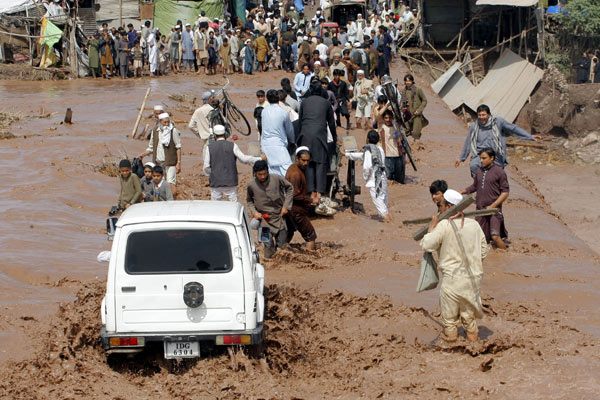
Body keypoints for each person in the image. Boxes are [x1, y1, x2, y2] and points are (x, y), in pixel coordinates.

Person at [420, 189, 489, 342]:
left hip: (452, 280)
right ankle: (474, 352)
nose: (439, 209)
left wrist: (432, 228)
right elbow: (484, 250)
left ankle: (452, 354)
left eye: (441, 206)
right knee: (469, 320)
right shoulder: (474, 224)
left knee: (450, 321)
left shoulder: (444, 225)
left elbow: (427, 245)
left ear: (449, 206)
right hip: (473, 278)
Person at [455, 104, 542, 177]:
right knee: (474, 165)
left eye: (484, 115)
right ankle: (479, 187)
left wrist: (530, 136)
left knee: (495, 176)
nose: (482, 117)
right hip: (480, 155)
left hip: (496, 155)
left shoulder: (498, 122)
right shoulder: (474, 127)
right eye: (479, 115)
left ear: (489, 115)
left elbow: (513, 129)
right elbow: (468, 143)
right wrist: (461, 158)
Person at [297, 81, 337, 205]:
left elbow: (300, 121)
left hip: (305, 135)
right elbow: (331, 124)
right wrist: (335, 140)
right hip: (320, 135)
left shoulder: (304, 102)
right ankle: (319, 193)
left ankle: (311, 193)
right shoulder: (326, 103)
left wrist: (299, 138)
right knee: (320, 163)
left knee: (308, 163)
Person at [462, 148, 510, 249]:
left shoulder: (500, 172)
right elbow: (475, 186)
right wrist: (461, 192)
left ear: (492, 158)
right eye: (480, 158)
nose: (481, 160)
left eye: (484, 158)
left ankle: (507, 256)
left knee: (496, 237)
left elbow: (505, 192)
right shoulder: (479, 171)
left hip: (494, 211)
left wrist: (493, 206)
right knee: (480, 239)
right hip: (480, 211)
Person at [203, 125, 264, 201]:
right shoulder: (233, 145)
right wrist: (259, 158)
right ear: (225, 134)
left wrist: (212, 175)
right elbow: (243, 159)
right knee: (233, 205)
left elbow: (206, 167)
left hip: (216, 182)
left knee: (215, 206)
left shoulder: (209, 147)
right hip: (231, 181)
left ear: (215, 135)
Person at [247, 160, 294, 258]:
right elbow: (249, 201)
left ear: (268, 171)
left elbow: (290, 188)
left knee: (282, 248)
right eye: (260, 174)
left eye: (265, 174)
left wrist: (286, 206)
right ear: (255, 173)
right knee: (267, 247)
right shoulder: (251, 185)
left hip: (280, 218)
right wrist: (254, 212)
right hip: (263, 219)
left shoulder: (276, 178)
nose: (263, 177)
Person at [342, 130, 389, 222]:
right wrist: (347, 154)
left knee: (378, 202)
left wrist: (366, 178)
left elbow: (367, 167)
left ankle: (387, 221)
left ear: (367, 139)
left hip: (374, 181)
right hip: (382, 178)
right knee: (383, 200)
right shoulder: (380, 149)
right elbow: (362, 156)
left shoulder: (368, 150)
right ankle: (388, 217)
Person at [138, 113, 182, 197]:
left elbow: (178, 147)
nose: (166, 124)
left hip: (170, 162)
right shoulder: (155, 131)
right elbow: (151, 148)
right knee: (159, 184)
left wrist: (178, 163)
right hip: (158, 162)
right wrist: (142, 155)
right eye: (164, 122)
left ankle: (172, 202)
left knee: (170, 184)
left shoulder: (173, 130)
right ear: (159, 121)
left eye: (167, 122)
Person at [285, 147, 318, 250]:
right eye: (303, 160)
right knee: (310, 235)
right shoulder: (295, 174)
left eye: (307, 161)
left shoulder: (294, 168)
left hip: (290, 210)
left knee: (288, 235)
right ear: (297, 159)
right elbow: (294, 195)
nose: (305, 163)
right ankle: (311, 261)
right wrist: (311, 200)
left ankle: (280, 252)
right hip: (297, 211)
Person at [261, 89, 296, 177]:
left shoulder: (264, 111)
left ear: (267, 100)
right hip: (279, 145)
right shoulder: (284, 113)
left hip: (265, 145)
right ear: (278, 98)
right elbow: (290, 130)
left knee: (272, 170)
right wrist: (292, 141)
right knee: (287, 170)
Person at [380, 110, 405, 184]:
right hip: (388, 157)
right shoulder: (382, 127)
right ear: (383, 119)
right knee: (388, 179)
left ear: (392, 118)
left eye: (390, 118)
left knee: (400, 180)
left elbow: (399, 140)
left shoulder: (395, 128)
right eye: (386, 118)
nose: (388, 120)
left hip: (398, 156)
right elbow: (383, 142)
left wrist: (398, 128)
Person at [402, 74, 427, 147]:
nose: (408, 82)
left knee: (416, 133)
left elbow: (424, 100)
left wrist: (419, 110)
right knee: (405, 131)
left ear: (412, 81)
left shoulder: (418, 89)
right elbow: (403, 102)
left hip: (417, 114)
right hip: (408, 114)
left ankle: (417, 149)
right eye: (406, 81)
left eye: (409, 81)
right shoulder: (404, 91)